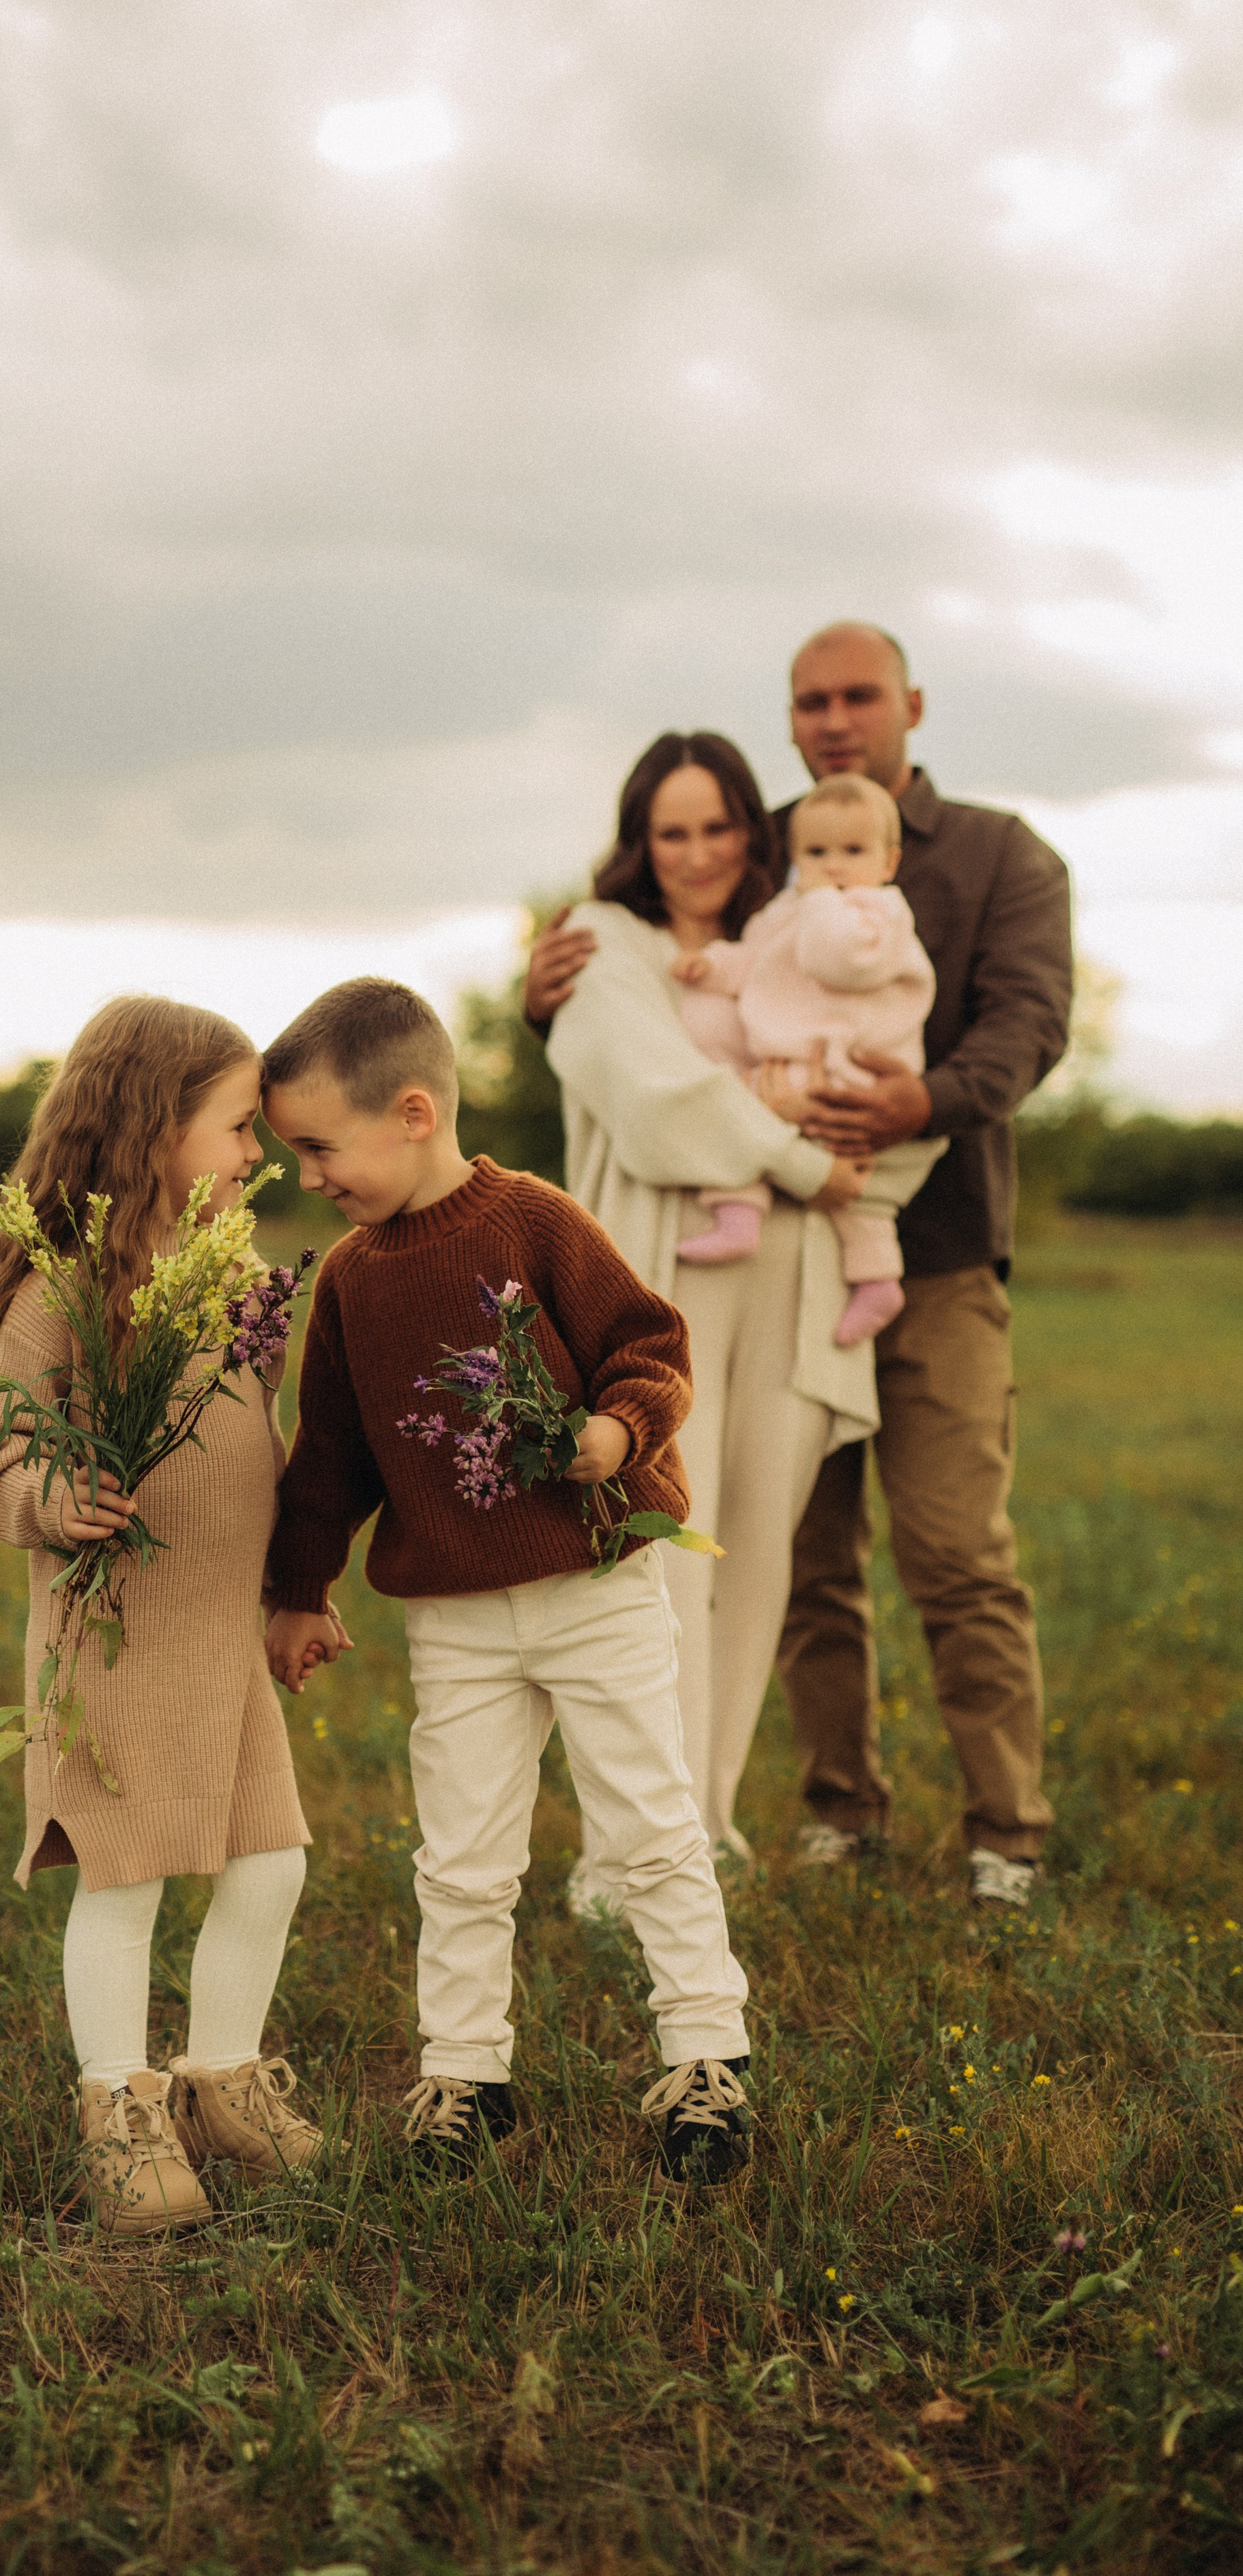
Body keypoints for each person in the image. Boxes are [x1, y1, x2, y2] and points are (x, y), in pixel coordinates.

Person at [527, 625, 1073, 1913]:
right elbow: (638, 1024)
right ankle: (836, 1811)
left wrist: (912, 1106)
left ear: (910, 706)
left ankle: (1010, 1830)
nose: (835, 719)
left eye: (859, 696)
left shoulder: (997, 855)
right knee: (780, 1560)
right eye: (811, 701)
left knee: (951, 1548)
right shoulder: (768, 853)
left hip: (917, 1253)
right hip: (755, 1249)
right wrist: (536, 1000)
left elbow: (1029, 1026)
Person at [258, 977, 755, 2188]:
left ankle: (703, 2059)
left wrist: (619, 1435)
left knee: (648, 1823)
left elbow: (651, 1345)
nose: (311, 1176)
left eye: (321, 1147)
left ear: (415, 1112)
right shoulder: (352, 1282)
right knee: (463, 1851)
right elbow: (330, 1457)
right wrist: (298, 1587)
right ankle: (466, 2073)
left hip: (593, 1587)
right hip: (456, 1618)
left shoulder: (534, 1224)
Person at [0, 996, 325, 2238]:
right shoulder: (64, 1292)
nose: (253, 1156)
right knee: (122, 1881)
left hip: (222, 1646)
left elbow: (256, 1446)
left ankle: (221, 2078)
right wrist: (53, 1496)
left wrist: (294, 1596)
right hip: (114, 1637)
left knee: (270, 1861)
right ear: (153, 1129)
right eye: (235, 1127)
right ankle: (119, 2108)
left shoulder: (236, 1286)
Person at [537, 732, 875, 1869]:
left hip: (793, 1271)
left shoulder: (784, 941)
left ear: (754, 828)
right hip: (663, 1274)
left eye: (719, 827)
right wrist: (797, 1153)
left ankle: (707, 1826)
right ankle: (624, 1852)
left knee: (755, 1559)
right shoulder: (599, 945)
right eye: (671, 832)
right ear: (641, 841)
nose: (697, 854)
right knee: (656, 1557)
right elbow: (654, 1100)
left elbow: (862, 1049)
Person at [673, 770, 945, 1346]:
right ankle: (743, 1217)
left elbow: (838, 962)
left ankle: (874, 1279)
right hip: (798, 1059)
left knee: (850, 1181)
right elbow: (758, 962)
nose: (834, 866)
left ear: (888, 861)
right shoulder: (791, 910)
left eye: (853, 851)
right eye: (817, 852)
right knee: (741, 1112)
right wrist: (714, 966)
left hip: (851, 1064)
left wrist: (820, 900)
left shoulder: (881, 914)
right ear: (795, 857)